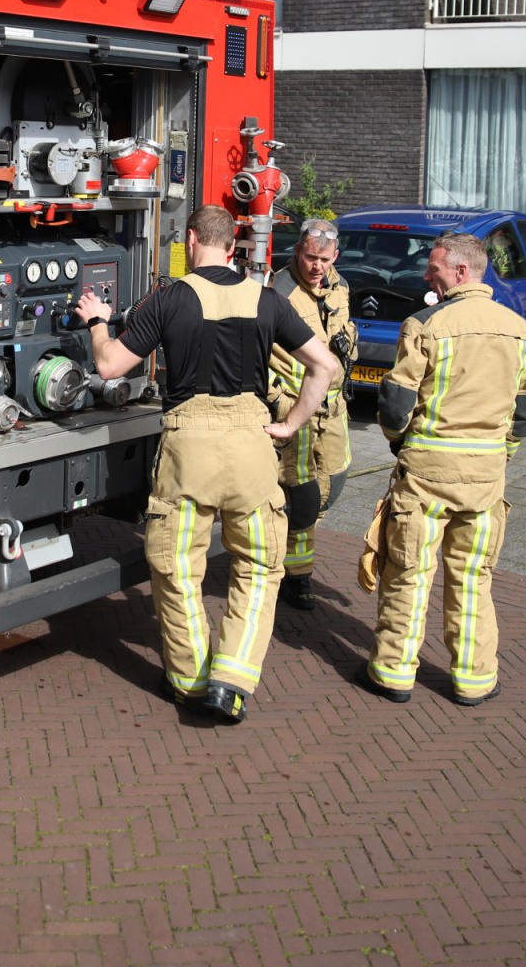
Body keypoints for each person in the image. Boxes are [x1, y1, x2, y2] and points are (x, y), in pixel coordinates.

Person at [77, 204, 338, 723]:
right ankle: (232, 682)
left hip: (188, 451)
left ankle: (190, 681)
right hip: (252, 449)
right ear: (233, 245)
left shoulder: (169, 298)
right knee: (260, 567)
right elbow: (325, 365)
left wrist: (97, 322)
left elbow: (108, 366)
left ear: (192, 241)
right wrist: (290, 425)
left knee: (176, 567)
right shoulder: (267, 299)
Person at [364, 232, 526, 708]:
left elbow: (395, 404)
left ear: (461, 271)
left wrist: (400, 443)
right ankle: (474, 680)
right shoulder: (521, 329)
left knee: (408, 573)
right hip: (485, 481)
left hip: (426, 478)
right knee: (473, 579)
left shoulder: (424, 324)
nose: (426, 276)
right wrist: (501, 453)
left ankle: (393, 673)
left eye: (434, 267)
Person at [269, 218, 356, 611]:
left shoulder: (341, 286)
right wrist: (276, 401)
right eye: (310, 258)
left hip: (334, 411)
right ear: (297, 251)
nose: (317, 266)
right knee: (302, 496)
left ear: (335, 256)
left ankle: (290, 553)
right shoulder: (277, 291)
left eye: (324, 259)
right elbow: (257, 353)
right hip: (296, 409)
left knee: (332, 484)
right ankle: (296, 576)